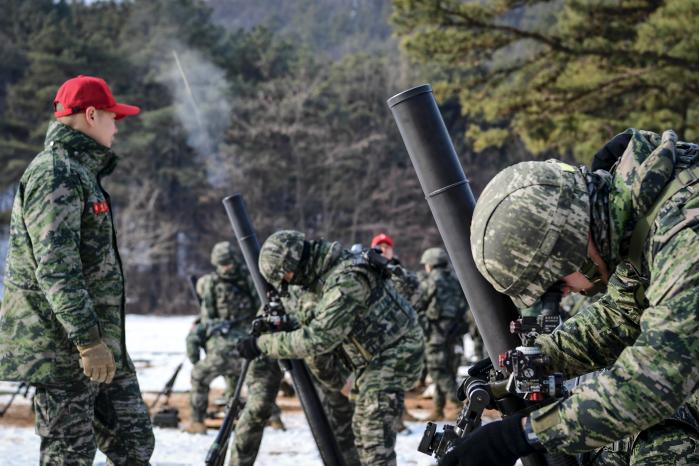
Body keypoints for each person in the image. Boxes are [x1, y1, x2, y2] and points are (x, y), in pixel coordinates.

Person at [442, 129, 699, 466]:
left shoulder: (685, 229)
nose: (566, 291)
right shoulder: (637, 223)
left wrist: (518, 436)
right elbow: (619, 317)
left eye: (555, 281)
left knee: (663, 448)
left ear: (569, 245)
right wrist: (529, 363)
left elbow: (657, 378)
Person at [0, 75, 154, 465]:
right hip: (65, 351)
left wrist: (99, 343)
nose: (116, 126)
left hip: (101, 346)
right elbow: (56, 268)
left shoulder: (81, 172)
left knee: (134, 443)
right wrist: (87, 342)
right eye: (112, 117)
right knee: (70, 454)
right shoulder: (56, 174)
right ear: (90, 115)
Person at [236, 230, 425, 466]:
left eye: (285, 277)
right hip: (374, 359)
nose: (288, 283)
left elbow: (318, 338)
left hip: (397, 353)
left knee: (373, 438)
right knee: (363, 431)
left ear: (293, 265)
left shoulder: (345, 280)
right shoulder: (323, 275)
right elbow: (318, 316)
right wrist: (286, 323)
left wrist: (261, 345)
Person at [183, 241, 259, 434]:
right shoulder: (250, 279)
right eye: (222, 264)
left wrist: (195, 358)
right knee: (246, 381)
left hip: (229, 347)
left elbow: (205, 323)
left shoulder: (213, 283)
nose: (226, 268)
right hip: (250, 347)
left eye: (228, 263)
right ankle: (270, 419)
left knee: (199, 376)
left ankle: (197, 422)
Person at [412, 247, 469, 421]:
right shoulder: (455, 281)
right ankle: (438, 409)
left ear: (430, 265)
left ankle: (459, 403)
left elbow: (417, 303)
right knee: (448, 370)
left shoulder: (431, 281)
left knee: (437, 370)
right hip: (454, 333)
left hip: (435, 333)